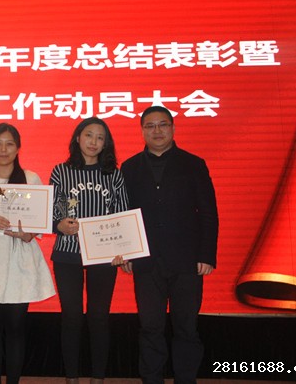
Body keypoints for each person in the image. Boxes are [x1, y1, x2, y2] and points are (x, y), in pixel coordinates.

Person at [120, 106, 218, 384]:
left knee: (186, 327)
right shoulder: (129, 167)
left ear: (173, 128)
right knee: (150, 327)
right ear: (142, 131)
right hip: (146, 261)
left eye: (163, 124)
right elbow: (123, 214)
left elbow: (208, 213)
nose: (157, 131)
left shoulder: (194, 164)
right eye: (150, 126)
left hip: (187, 260)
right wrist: (126, 252)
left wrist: (207, 254)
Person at [0, 123, 56, 384]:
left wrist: (30, 233)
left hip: (20, 255)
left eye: (9, 144)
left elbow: (40, 219)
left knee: (16, 326)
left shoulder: (30, 178)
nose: (3, 149)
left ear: (18, 148)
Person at [49, 117, 129, 384]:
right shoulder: (61, 171)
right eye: (88, 135)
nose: (93, 142)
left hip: (103, 254)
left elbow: (122, 213)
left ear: (106, 143)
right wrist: (59, 224)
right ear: (77, 138)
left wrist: (122, 248)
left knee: (98, 317)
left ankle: (98, 378)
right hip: (68, 253)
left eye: (100, 137)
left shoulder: (114, 174)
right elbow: (51, 211)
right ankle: (71, 377)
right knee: (71, 317)